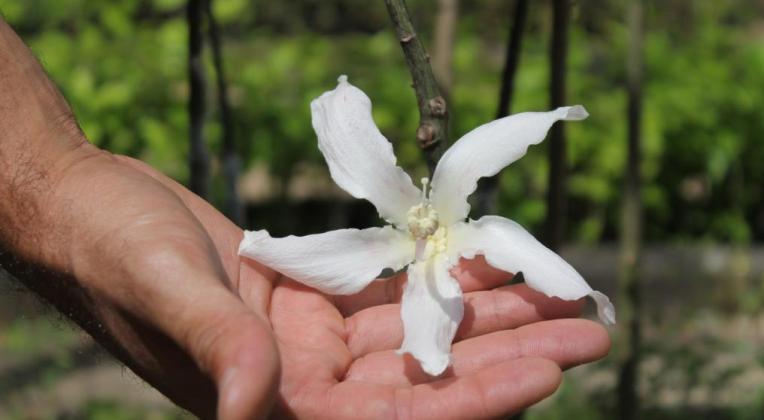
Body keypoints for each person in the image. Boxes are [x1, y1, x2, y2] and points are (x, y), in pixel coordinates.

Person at [0, 17, 610, 420]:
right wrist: (53, 183)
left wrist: (56, 177)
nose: (424, 228)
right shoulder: (411, 227)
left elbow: (451, 310)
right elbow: (300, 253)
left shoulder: (475, 221)